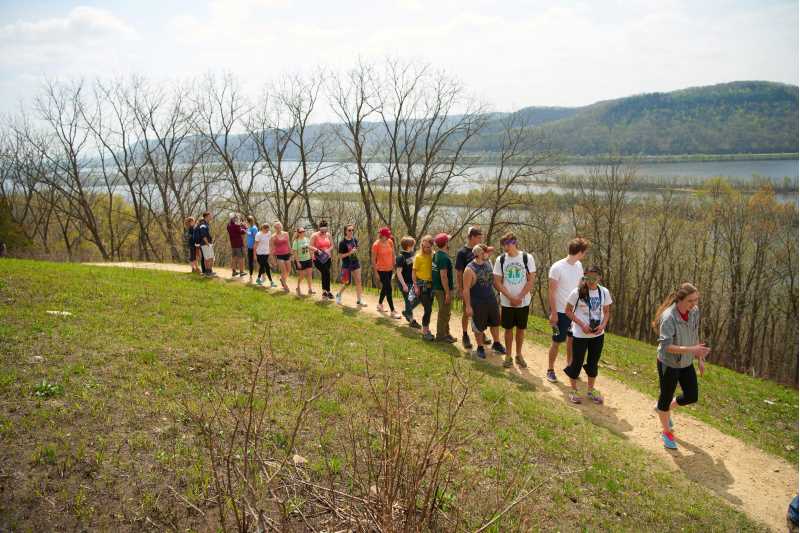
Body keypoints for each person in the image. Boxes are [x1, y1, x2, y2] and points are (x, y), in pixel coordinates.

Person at [652, 282, 710, 450]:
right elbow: (666, 346)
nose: (694, 304)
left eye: (696, 300)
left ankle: (664, 409)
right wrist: (693, 349)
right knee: (665, 395)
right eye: (691, 301)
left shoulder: (694, 312)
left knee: (691, 395)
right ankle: (666, 431)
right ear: (680, 300)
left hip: (686, 362)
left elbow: (694, 334)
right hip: (669, 363)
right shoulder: (669, 317)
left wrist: (699, 357)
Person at [563, 266, 612, 404]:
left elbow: (607, 311)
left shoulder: (604, 292)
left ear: (599, 278)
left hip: (598, 334)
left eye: (594, 277)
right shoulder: (577, 292)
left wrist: (602, 325)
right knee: (576, 363)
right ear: (584, 277)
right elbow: (567, 310)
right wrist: (581, 324)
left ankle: (590, 391)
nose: (591, 280)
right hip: (580, 334)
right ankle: (573, 390)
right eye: (588, 277)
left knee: (593, 363)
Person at [546, 237, 590, 382]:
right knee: (556, 341)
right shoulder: (557, 267)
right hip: (558, 312)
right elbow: (551, 292)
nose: (585, 255)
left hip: (573, 313)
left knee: (572, 340)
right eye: (584, 252)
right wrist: (553, 313)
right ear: (580, 252)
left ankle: (570, 367)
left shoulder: (578, 266)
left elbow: (579, 288)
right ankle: (550, 370)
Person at [493, 232, 536, 368]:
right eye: (503, 244)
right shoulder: (501, 260)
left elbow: (531, 280)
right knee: (508, 329)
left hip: (523, 301)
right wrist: (511, 297)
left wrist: (519, 297)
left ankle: (519, 355)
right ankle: (508, 356)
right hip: (507, 302)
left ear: (514, 242)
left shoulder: (526, 258)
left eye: (507, 243)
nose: (505, 246)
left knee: (521, 329)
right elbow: (497, 282)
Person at [463, 244, 506, 359]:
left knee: (495, 322)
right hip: (477, 302)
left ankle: (496, 343)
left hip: (491, 299)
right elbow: (466, 289)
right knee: (478, 326)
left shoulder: (488, 264)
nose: (487, 254)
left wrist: (502, 296)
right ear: (479, 254)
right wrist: (468, 306)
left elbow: (494, 282)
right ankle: (480, 347)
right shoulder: (469, 269)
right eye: (485, 252)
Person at [455, 226, 493, 349]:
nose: (480, 240)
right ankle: (465, 334)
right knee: (467, 312)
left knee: (482, 312)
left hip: (481, 289)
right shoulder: (462, 252)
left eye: (481, 237)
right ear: (471, 237)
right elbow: (459, 273)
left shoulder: (481, 250)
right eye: (478, 237)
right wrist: (460, 289)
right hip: (468, 288)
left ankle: (481, 333)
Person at [432, 233, 456, 343]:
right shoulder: (443, 258)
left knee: (446, 312)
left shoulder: (437, 254)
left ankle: (446, 333)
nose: (449, 243)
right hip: (442, 290)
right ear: (446, 243)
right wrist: (447, 293)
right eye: (448, 241)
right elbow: (443, 276)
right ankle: (440, 336)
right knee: (444, 313)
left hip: (438, 288)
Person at [335, 224, 367, 307]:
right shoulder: (342, 243)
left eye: (352, 230)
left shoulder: (354, 240)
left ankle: (359, 300)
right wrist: (350, 253)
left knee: (359, 281)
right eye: (349, 230)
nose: (351, 231)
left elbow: (356, 249)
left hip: (355, 262)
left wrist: (355, 251)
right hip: (346, 264)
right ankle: (338, 294)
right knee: (347, 283)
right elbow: (340, 256)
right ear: (345, 231)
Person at [372, 227, 400, 319]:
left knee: (385, 287)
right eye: (387, 235)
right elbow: (373, 260)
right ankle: (392, 311)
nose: (388, 237)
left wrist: (394, 265)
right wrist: (375, 272)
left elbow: (393, 254)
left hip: (390, 269)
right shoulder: (376, 245)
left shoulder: (390, 242)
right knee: (389, 289)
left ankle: (380, 304)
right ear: (382, 235)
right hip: (381, 270)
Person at [412, 235, 436, 341]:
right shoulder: (418, 257)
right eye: (425, 246)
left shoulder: (434, 256)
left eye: (429, 247)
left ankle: (426, 327)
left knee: (429, 308)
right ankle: (425, 330)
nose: (426, 249)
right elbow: (413, 272)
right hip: (421, 285)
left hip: (431, 286)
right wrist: (416, 286)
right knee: (428, 308)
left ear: (432, 246)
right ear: (422, 245)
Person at [396, 236, 420, 328]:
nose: (413, 246)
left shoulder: (411, 255)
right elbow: (398, 272)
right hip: (404, 283)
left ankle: (407, 312)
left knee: (418, 298)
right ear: (409, 246)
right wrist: (404, 285)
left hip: (412, 282)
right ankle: (411, 320)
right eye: (412, 245)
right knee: (409, 300)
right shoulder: (400, 257)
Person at [311, 220, 334, 300]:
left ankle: (326, 291)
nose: (324, 231)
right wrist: (317, 250)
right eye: (322, 229)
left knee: (326, 273)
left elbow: (332, 245)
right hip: (318, 258)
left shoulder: (328, 235)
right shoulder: (315, 235)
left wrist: (328, 250)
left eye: (325, 229)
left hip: (327, 257)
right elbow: (309, 246)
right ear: (319, 228)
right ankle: (326, 291)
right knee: (325, 272)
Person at [292, 227, 315, 296]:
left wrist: (312, 255)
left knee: (309, 275)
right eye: (300, 232)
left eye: (303, 231)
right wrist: (298, 262)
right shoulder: (296, 242)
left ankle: (310, 289)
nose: (302, 233)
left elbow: (309, 248)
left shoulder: (307, 239)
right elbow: (295, 253)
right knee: (302, 275)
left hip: (308, 259)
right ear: (298, 233)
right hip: (300, 261)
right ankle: (298, 287)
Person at [270, 221, 291, 292]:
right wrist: (272, 259)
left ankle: (282, 280)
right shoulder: (273, 237)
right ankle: (285, 285)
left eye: (279, 227)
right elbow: (272, 248)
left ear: (281, 227)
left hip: (287, 254)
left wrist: (291, 253)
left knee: (288, 270)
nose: (278, 228)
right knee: (284, 271)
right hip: (279, 255)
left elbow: (288, 244)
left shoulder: (286, 234)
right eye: (276, 227)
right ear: (275, 228)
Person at [253, 223, 275, 287]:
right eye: (266, 230)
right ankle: (271, 282)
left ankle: (259, 279)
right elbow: (255, 245)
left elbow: (270, 241)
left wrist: (271, 250)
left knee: (263, 266)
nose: (267, 231)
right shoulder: (258, 234)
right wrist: (254, 255)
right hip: (259, 253)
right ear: (262, 228)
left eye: (268, 230)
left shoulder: (269, 233)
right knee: (266, 267)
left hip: (266, 253)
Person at [227, 213, 247, 277]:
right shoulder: (236, 225)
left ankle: (234, 271)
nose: (237, 218)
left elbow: (238, 229)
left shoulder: (228, 225)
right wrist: (244, 226)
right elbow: (242, 231)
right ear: (233, 218)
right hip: (238, 244)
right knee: (241, 258)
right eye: (236, 218)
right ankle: (241, 272)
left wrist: (240, 225)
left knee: (234, 258)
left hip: (233, 244)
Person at [196, 212, 216, 277]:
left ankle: (208, 271)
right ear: (206, 216)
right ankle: (208, 272)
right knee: (209, 258)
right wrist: (208, 244)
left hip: (206, 244)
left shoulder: (206, 224)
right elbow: (203, 235)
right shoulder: (203, 224)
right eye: (210, 216)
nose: (211, 217)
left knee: (209, 258)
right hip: (205, 244)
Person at [245, 215, 259, 281]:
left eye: (247, 221)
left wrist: (255, 247)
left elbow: (256, 237)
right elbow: (249, 235)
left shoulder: (254, 228)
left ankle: (262, 275)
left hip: (254, 248)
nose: (246, 222)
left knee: (258, 261)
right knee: (250, 261)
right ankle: (251, 276)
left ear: (250, 221)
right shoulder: (249, 228)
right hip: (249, 247)